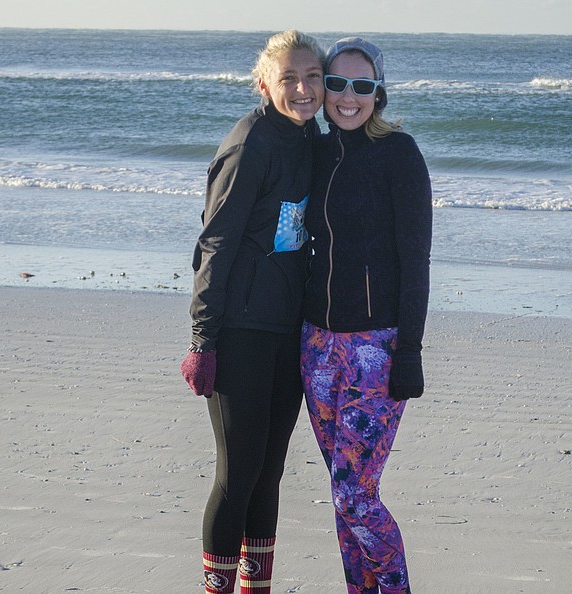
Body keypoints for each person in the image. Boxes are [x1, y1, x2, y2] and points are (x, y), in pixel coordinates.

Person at [179, 30, 325, 594]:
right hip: (240, 330)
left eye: (312, 76)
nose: (303, 88)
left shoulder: (309, 139)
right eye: (289, 78)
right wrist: (202, 341)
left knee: (269, 474)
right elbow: (215, 243)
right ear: (265, 83)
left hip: (288, 330)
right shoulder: (250, 145)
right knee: (238, 474)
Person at [300, 37, 433, 593]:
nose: (347, 97)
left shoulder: (399, 153)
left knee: (357, 493)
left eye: (361, 85)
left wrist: (410, 353)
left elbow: (416, 260)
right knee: (341, 492)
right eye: (337, 84)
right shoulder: (315, 151)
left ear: (379, 92)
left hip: (376, 348)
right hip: (316, 346)